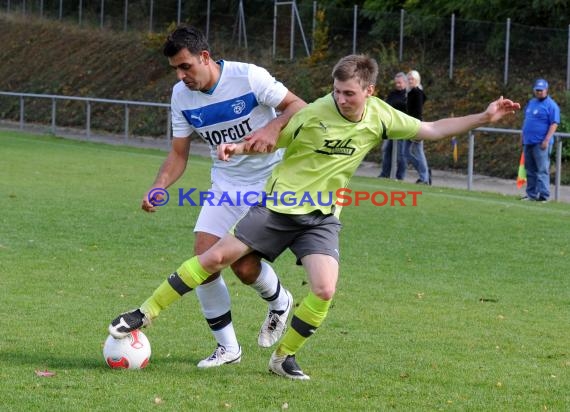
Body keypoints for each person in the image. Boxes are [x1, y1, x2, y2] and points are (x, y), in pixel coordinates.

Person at [109, 54, 520, 380]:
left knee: (324, 289)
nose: (341, 99)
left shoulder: (381, 116)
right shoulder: (314, 114)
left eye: (349, 94)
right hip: (277, 207)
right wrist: (238, 148)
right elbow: (269, 139)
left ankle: (283, 358)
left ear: (370, 91)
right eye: (337, 91)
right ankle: (142, 314)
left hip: (321, 217)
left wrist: (483, 118)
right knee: (216, 258)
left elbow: (430, 129)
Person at [113, 24, 306, 369]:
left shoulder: (249, 77)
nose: (181, 75)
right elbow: (178, 154)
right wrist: (159, 186)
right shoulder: (180, 96)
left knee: (246, 269)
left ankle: (280, 300)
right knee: (204, 260)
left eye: (186, 66)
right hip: (224, 187)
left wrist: (271, 127)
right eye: (175, 68)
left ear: (204, 57)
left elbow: (298, 107)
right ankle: (228, 348)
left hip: (267, 185)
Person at [520, 78, 560, 202]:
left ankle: (544, 195)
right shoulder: (531, 102)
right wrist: (523, 136)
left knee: (542, 170)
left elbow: (554, 124)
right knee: (530, 169)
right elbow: (527, 120)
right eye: (537, 90)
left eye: (541, 90)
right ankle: (531, 194)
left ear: (546, 90)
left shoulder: (551, 105)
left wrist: (546, 140)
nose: (539, 92)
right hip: (528, 141)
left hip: (541, 143)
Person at [379, 72, 408, 180]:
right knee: (387, 150)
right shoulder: (392, 94)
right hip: (391, 127)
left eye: (399, 83)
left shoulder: (409, 94)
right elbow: (387, 107)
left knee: (401, 154)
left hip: (403, 128)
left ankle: (400, 177)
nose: (397, 85)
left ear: (405, 83)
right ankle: (384, 174)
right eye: (396, 83)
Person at [404, 70, 431, 184]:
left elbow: (418, 112)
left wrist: (416, 128)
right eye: (409, 79)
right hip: (410, 125)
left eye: (412, 79)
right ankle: (424, 172)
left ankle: (424, 176)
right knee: (406, 153)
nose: (410, 81)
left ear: (417, 80)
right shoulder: (410, 92)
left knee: (418, 152)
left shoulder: (417, 93)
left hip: (416, 125)